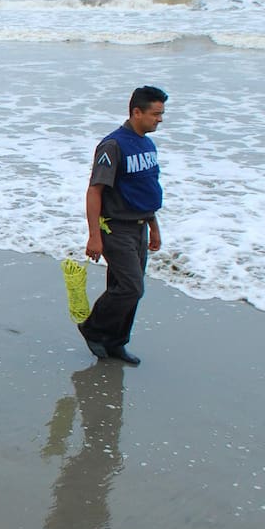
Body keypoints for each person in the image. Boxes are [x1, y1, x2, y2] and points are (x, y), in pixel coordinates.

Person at [77, 85, 167, 365]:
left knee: (125, 288)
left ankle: (115, 343)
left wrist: (154, 226)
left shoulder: (148, 144)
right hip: (115, 227)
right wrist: (94, 237)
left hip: (140, 226)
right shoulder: (113, 146)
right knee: (131, 287)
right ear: (136, 112)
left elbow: (145, 188)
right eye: (155, 114)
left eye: (162, 114)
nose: (160, 119)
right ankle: (93, 328)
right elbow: (95, 191)